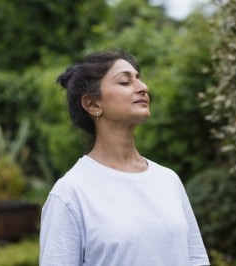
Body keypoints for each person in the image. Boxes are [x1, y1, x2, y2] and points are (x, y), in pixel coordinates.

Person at [39, 50, 210, 266]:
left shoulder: (168, 180)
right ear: (93, 104)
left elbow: (196, 259)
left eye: (139, 79)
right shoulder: (71, 193)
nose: (143, 87)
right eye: (125, 82)